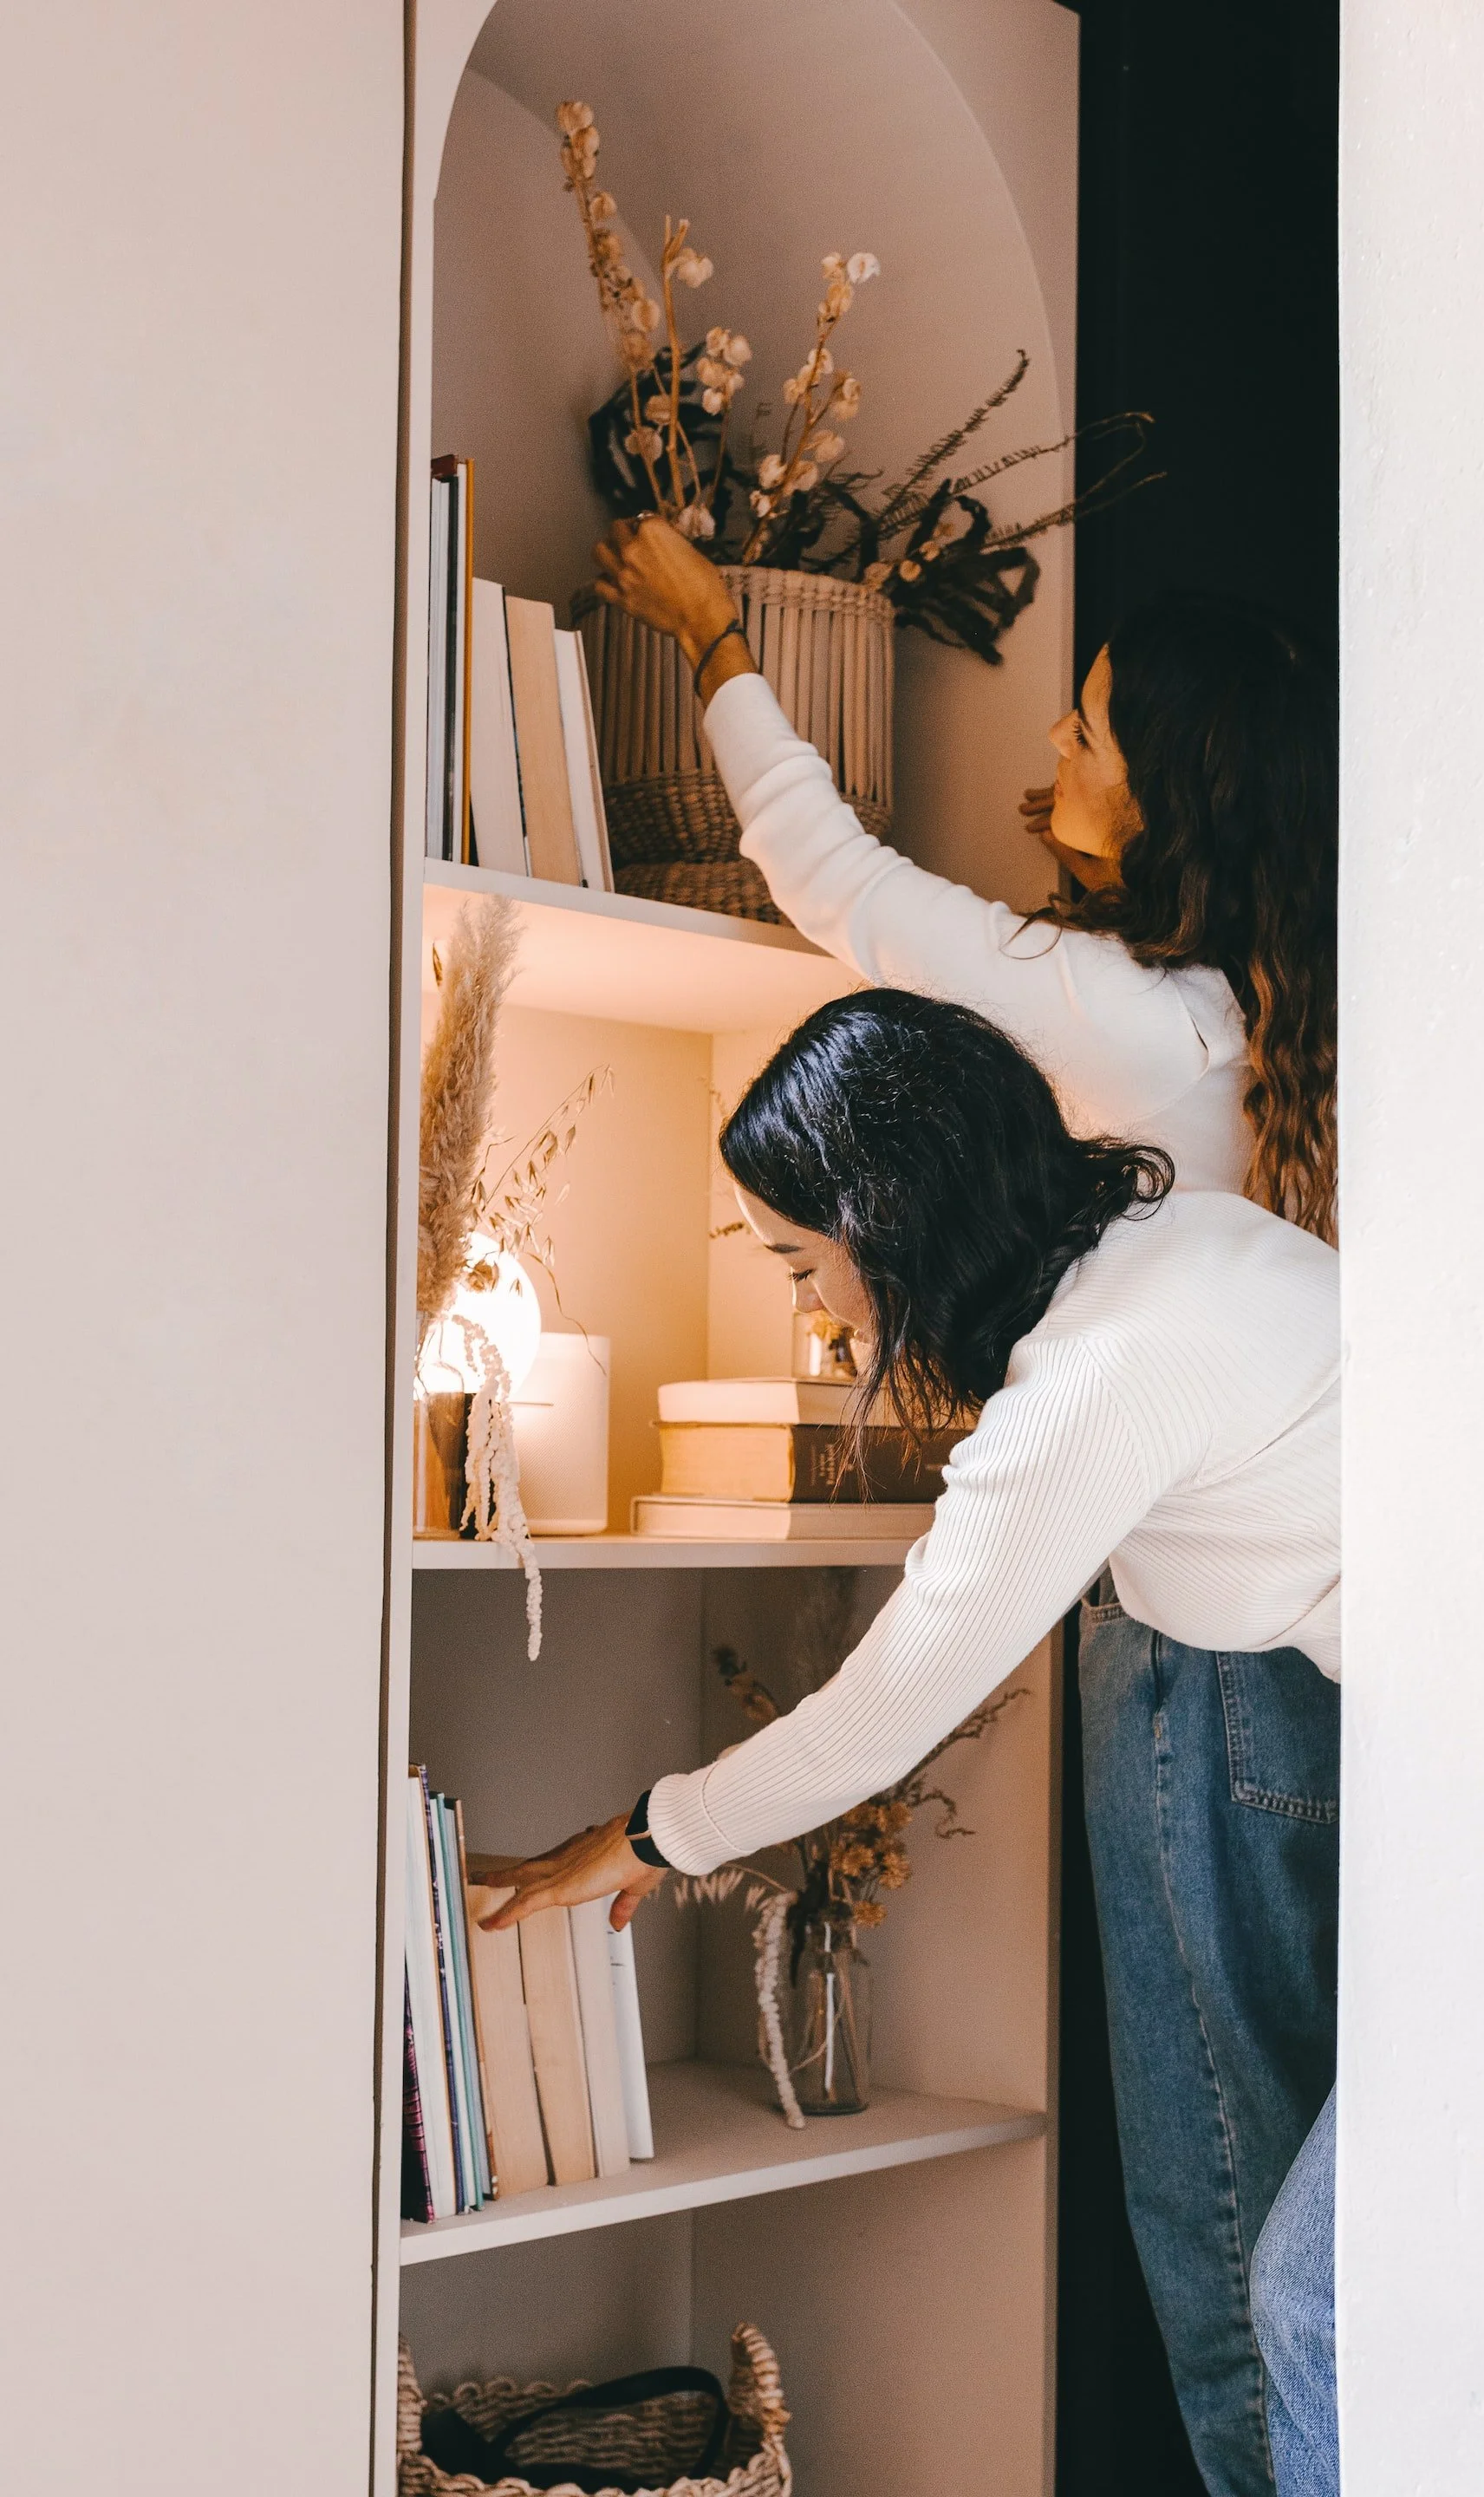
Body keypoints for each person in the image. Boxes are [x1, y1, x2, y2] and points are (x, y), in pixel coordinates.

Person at [575, 518, 1339, 2497]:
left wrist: (716, 638)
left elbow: (837, 883)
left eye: (1091, 731)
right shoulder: (1260, 1048)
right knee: (1303, 2215)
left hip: (1205, 1663)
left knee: (1239, 2215)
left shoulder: (1121, 1064)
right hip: (1301, 1645)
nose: (1054, 755)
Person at [485, 991, 1342, 2497]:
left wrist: (641, 1838)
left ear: (889, 1224)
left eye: (802, 1264)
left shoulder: (1100, 1371)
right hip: (1478, 1780)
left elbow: (879, 1715)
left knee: (1309, 2306)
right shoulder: (1186, 1244)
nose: (823, 1312)